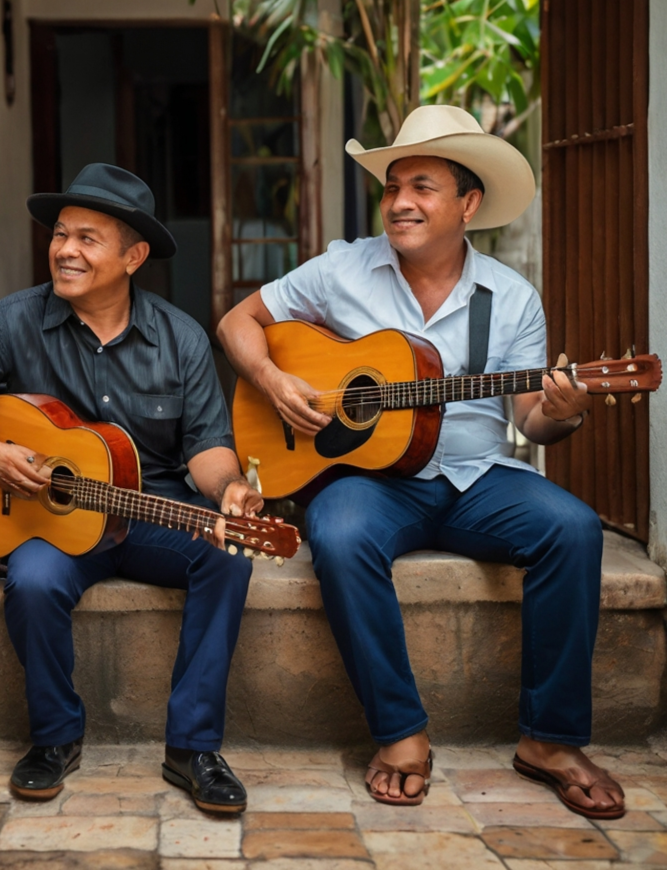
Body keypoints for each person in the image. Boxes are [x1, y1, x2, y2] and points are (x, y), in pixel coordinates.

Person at [217, 106, 626, 819]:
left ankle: (550, 741)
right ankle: (401, 731)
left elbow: (528, 418)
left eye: (423, 187)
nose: (401, 201)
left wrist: (564, 412)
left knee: (574, 529)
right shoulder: (342, 268)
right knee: (339, 537)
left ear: (468, 204)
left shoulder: (508, 297)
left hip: (477, 480)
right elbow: (236, 321)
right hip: (369, 481)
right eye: (393, 185)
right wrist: (273, 380)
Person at [0, 163, 261, 813]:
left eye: (88, 238)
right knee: (31, 582)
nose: (65, 249)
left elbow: (206, 448)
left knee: (228, 551)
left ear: (133, 256)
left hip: (152, 511)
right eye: (61, 234)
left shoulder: (179, 337)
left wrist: (230, 490)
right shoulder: (9, 323)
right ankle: (55, 737)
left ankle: (192, 748)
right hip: (49, 519)